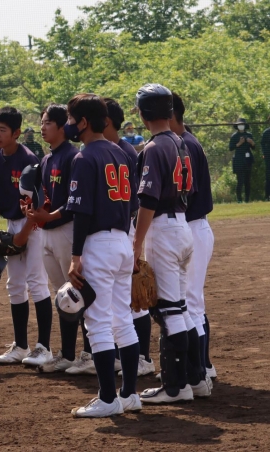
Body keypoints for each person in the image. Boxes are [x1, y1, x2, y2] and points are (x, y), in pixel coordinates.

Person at [34, 94, 140, 417]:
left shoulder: (84, 157)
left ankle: (107, 399)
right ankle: (129, 395)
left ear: (83, 122)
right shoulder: (120, 152)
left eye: (71, 118)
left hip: (98, 245)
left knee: (97, 324)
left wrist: (76, 256)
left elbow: (81, 212)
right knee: (123, 319)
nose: (69, 124)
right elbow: (132, 204)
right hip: (122, 241)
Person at [132, 84, 211, 405]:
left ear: (143, 114)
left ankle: (175, 388)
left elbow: (148, 200)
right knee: (181, 308)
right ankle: (197, 379)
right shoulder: (181, 141)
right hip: (182, 226)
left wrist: (136, 244)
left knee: (168, 311)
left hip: (163, 229)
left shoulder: (154, 148)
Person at [0, 107, 52, 366]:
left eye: (2, 130)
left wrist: (24, 234)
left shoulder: (29, 159)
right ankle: (21, 346)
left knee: (36, 282)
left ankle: (44, 348)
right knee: (14, 285)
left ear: (16, 133)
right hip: (12, 223)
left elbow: (39, 203)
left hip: (33, 223)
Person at [25, 104, 85, 372]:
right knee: (63, 296)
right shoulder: (47, 159)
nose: (42, 127)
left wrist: (49, 216)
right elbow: (46, 197)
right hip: (47, 233)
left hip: (66, 230)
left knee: (78, 293)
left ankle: (89, 353)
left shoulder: (73, 156)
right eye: (42, 122)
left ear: (62, 127)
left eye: (48, 122)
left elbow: (75, 202)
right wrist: (33, 211)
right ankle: (68, 354)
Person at [103, 98, 156, 377]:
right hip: (115, 230)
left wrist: (135, 240)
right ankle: (122, 355)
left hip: (127, 227)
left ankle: (143, 358)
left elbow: (137, 199)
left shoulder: (125, 152)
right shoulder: (108, 150)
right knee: (117, 298)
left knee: (134, 296)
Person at [171, 93, 216, 380]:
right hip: (193, 228)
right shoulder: (184, 141)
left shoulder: (185, 144)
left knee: (191, 301)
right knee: (190, 300)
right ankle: (202, 366)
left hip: (193, 227)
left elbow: (185, 194)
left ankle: (201, 368)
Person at [229, 118, 255, 203]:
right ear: (237, 126)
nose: (241, 126)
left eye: (242, 125)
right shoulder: (234, 136)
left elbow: (254, 147)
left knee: (247, 180)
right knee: (240, 180)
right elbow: (231, 148)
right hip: (238, 160)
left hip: (248, 160)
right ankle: (239, 199)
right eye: (239, 125)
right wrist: (239, 143)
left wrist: (252, 143)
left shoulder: (249, 135)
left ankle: (247, 199)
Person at [262, 117, 270, 201]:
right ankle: (267, 196)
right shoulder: (266, 132)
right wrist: (264, 153)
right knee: (268, 177)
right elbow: (262, 144)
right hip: (268, 157)